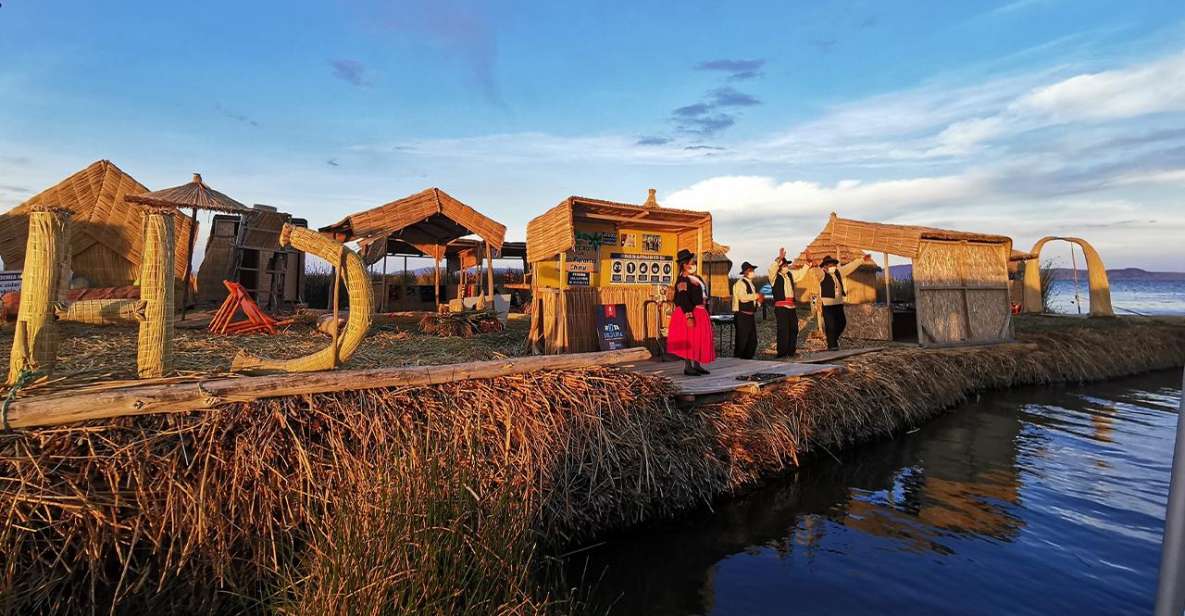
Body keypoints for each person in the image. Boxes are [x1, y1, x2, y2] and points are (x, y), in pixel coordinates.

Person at [667, 249, 716, 376]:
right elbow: (683, 299)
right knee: (689, 338)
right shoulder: (683, 280)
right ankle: (688, 366)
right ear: (684, 264)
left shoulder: (697, 278)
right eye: (691, 262)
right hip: (690, 312)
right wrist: (689, 315)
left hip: (700, 311)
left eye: (693, 262)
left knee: (698, 339)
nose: (693, 264)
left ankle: (697, 365)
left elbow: (703, 294)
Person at [817, 254, 869, 350]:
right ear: (824, 266)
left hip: (838, 303)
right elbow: (815, 272)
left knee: (842, 323)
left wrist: (861, 260)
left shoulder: (838, 272)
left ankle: (833, 339)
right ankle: (832, 346)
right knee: (830, 325)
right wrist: (812, 265)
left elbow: (850, 267)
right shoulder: (822, 274)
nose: (832, 266)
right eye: (829, 265)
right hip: (828, 305)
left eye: (833, 264)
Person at [768, 247, 812, 358]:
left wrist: (808, 262)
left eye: (786, 265)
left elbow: (801, 273)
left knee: (793, 328)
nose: (786, 267)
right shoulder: (774, 277)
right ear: (779, 267)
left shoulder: (790, 275)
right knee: (783, 329)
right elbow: (771, 269)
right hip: (781, 307)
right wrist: (779, 258)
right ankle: (782, 353)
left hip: (791, 307)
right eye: (784, 265)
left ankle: (790, 351)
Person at [731, 261, 761, 359]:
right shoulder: (740, 283)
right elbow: (743, 297)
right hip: (742, 315)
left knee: (752, 340)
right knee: (742, 339)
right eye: (750, 270)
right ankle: (738, 359)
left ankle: (748, 358)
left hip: (750, 315)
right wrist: (757, 296)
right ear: (745, 272)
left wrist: (759, 302)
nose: (752, 272)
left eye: (752, 270)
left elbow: (752, 300)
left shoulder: (751, 284)